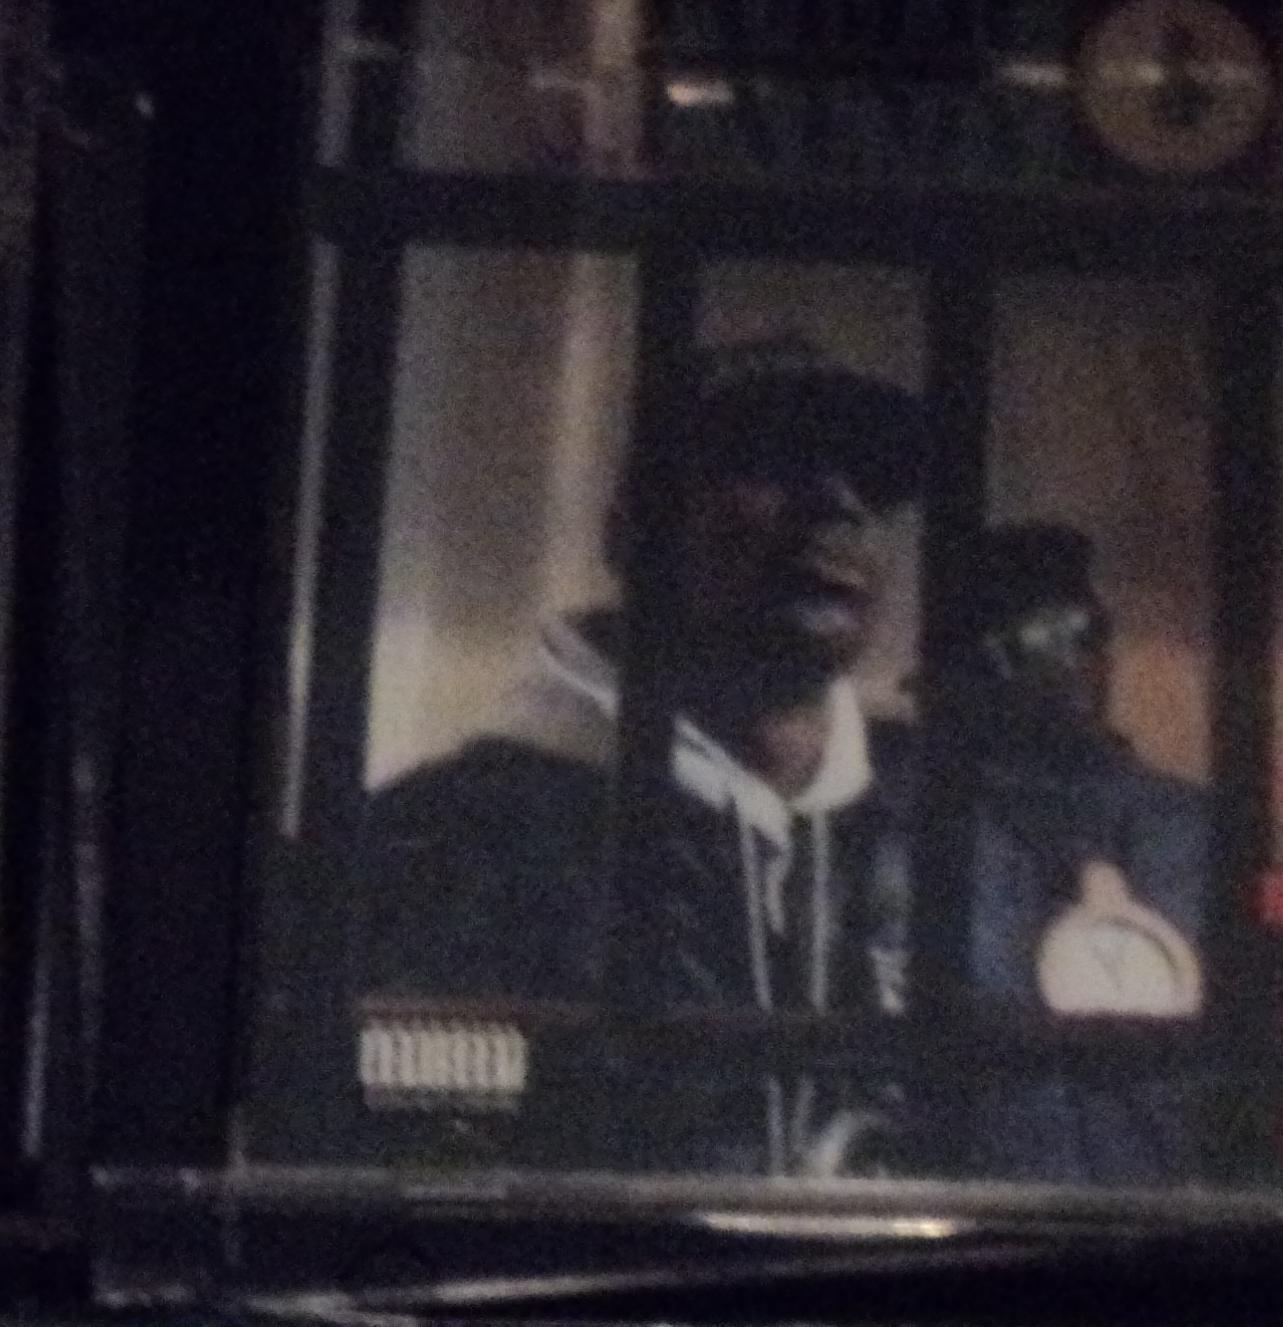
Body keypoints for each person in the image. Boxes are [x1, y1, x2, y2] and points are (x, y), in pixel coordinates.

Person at [351, 343, 929, 1178]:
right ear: (630, 531)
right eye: (770, 460)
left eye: (873, 483)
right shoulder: (446, 838)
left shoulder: (935, 841)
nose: (839, 506)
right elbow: (413, 1170)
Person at [950, 520, 1218, 1183]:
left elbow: (1269, 1066)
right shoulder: (922, 832)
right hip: (989, 1206)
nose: (1074, 657)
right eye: (1039, 637)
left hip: (1166, 1210)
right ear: (981, 663)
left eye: (1088, 631)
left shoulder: (1198, 834)